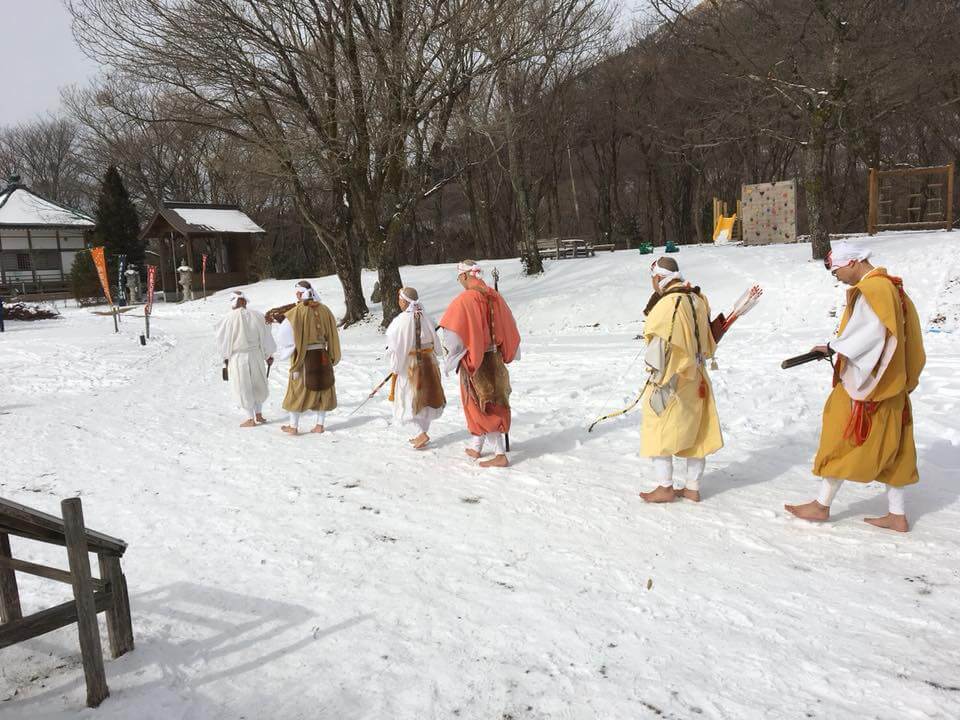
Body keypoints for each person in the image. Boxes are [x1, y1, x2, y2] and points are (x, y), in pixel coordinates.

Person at [785, 241, 925, 532]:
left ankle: (821, 505)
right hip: (892, 384)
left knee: (840, 437)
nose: (835, 276)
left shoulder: (874, 290)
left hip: (869, 386)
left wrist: (833, 346)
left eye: (836, 270)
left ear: (852, 263)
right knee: (895, 448)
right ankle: (896, 515)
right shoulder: (894, 287)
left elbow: (869, 335)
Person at [638, 256, 723, 503]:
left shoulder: (668, 303)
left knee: (659, 427)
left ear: (657, 277)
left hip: (671, 376)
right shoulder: (697, 297)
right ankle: (692, 487)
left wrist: (655, 375)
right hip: (697, 375)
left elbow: (658, 344)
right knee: (697, 430)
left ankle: (664, 487)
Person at [439, 260, 521, 467]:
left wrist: (454, 356)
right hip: (495, 357)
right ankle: (477, 446)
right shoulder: (495, 296)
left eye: (459, 277)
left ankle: (500, 454)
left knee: (482, 404)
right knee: (493, 399)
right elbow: (510, 325)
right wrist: (507, 350)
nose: (459, 281)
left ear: (465, 276)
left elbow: (452, 335)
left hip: (477, 360)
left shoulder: (465, 300)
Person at [276, 281, 341, 435]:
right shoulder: (325, 310)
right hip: (322, 355)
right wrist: (333, 355)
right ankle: (320, 425)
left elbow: (283, 335)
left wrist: (290, 349)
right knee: (323, 387)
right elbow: (333, 335)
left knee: (297, 389)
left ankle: (293, 426)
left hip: (304, 357)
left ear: (299, 293)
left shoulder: (297, 312)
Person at [384, 286, 446, 449]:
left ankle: (421, 432)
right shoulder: (426, 316)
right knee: (425, 399)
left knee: (409, 399)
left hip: (411, 366)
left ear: (404, 301)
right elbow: (435, 340)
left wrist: (395, 367)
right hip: (429, 363)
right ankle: (421, 433)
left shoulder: (401, 321)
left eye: (400, 299)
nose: (399, 302)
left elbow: (396, 348)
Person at [215, 290, 275, 427]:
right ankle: (259, 414)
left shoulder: (228, 319)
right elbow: (266, 336)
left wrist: (225, 357)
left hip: (238, 357)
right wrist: (268, 354)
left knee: (243, 386)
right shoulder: (258, 316)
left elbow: (222, 341)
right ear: (244, 301)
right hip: (256, 355)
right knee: (258, 383)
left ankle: (250, 418)